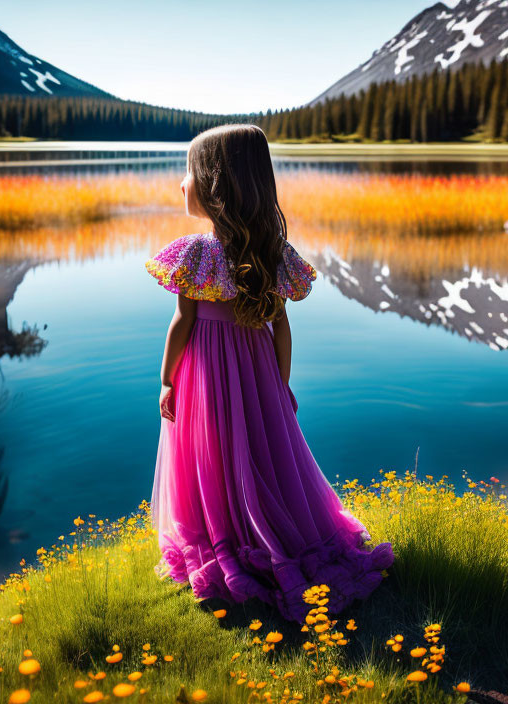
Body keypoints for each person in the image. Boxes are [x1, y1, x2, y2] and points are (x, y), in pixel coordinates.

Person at [145, 123, 394, 623]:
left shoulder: (195, 253)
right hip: (259, 372)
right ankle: (269, 534)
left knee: (213, 454)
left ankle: (227, 540)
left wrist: (167, 379)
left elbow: (183, 321)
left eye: (189, 174)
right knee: (262, 453)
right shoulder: (272, 253)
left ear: (216, 186)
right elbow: (281, 327)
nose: (181, 185)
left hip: (208, 374)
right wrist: (280, 385)